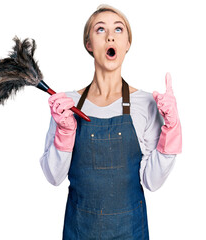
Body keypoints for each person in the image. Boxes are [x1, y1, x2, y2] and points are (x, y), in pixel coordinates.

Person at [40, 4, 182, 240]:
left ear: (127, 44)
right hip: (79, 230)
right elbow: (53, 177)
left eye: (118, 29)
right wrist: (64, 133)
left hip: (130, 231)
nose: (109, 36)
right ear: (88, 44)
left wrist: (172, 128)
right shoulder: (67, 105)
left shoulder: (146, 103)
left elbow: (152, 182)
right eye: (100, 30)